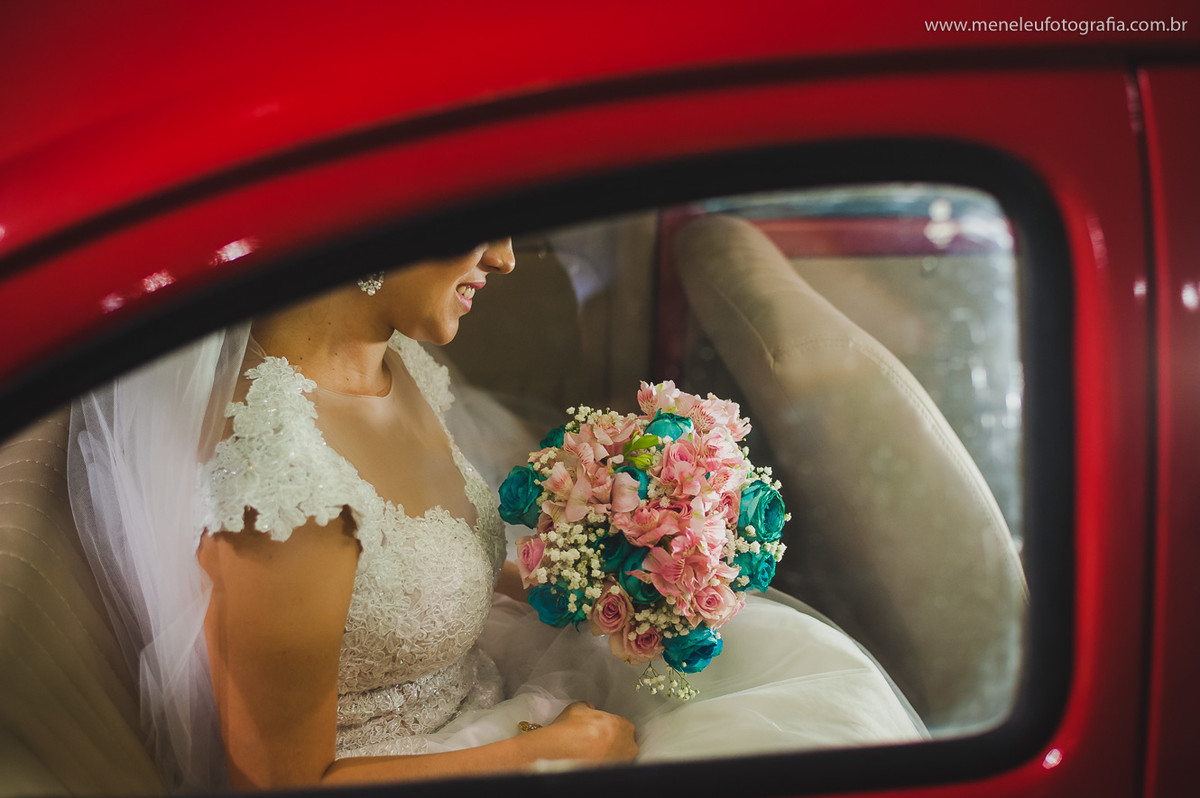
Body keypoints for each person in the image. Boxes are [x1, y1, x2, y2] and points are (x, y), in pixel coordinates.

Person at [69, 239, 924, 794]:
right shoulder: (285, 489)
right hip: (441, 764)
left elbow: (410, 570)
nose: (509, 259)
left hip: (495, 689)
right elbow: (283, 786)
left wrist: (610, 564)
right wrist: (540, 758)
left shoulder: (395, 359)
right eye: (485, 224)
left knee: (800, 693)